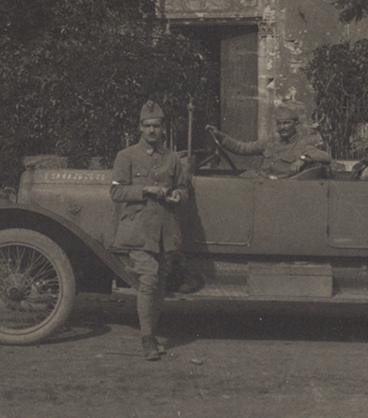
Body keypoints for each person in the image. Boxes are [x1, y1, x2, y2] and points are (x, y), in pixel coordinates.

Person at [110, 100, 193, 361]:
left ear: (162, 129)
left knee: (158, 285)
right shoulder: (126, 156)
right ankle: (147, 339)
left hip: (164, 231)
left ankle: (152, 333)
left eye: (156, 126)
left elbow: (183, 189)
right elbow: (116, 191)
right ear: (140, 128)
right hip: (138, 228)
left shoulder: (173, 158)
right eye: (147, 126)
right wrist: (145, 190)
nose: (152, 131)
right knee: (148, 280)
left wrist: (178, 196)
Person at [207, 104, 331, 179]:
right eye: (279, 123)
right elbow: (242, 148)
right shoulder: (270, 141)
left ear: (296, 124)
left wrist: (303, 159)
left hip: (279, 191)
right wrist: (220, 136)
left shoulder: (302, 144)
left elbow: (326, 156)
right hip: (259, 183)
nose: (283, 127)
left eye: (287, 123)